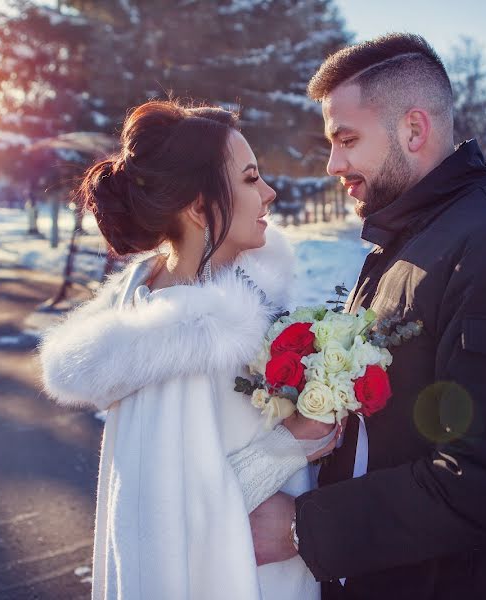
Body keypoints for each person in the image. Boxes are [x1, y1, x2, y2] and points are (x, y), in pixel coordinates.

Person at [249, 33, 486, 600]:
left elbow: (483, 479)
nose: (333, 163)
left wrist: (305, 528)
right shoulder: (411, 237)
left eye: (347, 139)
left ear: (414, 129)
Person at [38, 100, 337, 600]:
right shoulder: (187, 338)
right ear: (200, 207)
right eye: (249, 179)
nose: (269, 192)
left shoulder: (163, 297)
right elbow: (168, 523)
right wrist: (291, 442)